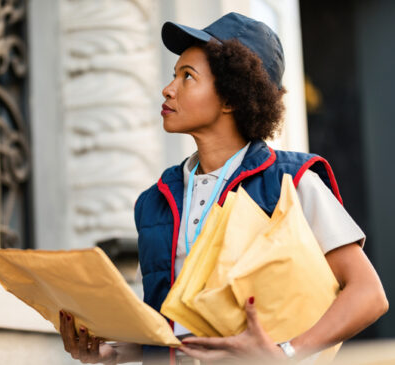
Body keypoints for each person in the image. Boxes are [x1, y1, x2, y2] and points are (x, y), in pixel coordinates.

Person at [59, 12, 388, 364]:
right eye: (174, 75)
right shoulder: (153, 203)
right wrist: (107, 351)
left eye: (188, 77)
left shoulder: (292, 181)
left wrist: (285, 353)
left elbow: (369, 295)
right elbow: (169, 332)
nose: (168, 89)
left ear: (232, 97)